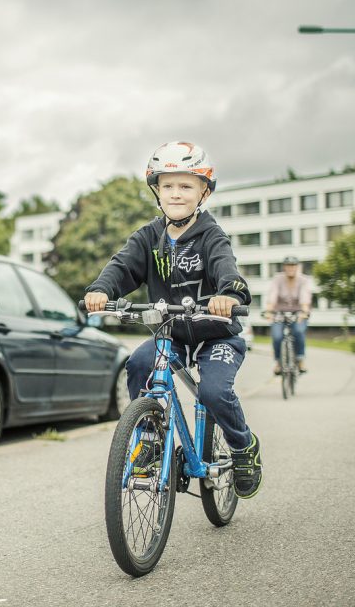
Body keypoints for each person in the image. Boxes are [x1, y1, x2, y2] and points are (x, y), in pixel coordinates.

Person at [83, 141, 262, 499]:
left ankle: (243, 446)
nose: (176, 194)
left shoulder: (211, 236)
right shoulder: (149, 237)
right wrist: (102, 289)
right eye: (168, 185)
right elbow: (122, 266)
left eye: (186, 186)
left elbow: (227, 269)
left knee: (213, 391)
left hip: (217, 335)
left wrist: (229, 294)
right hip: (172, 333)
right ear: (157, 191)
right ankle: (148, 440)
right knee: (139, 363)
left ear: (204, 192)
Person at [266, 256, 313, 375]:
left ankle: (300, 359)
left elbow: (305, 299)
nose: (291, 268)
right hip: (279, 313)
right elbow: (272, 296)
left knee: (298, 331)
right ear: (284, 267)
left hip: (298, 313)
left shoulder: (304, 280)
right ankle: (278, 362)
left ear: (297, 267)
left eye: (293, 265)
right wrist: (269, 311)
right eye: (288, 265)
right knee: (277, 336)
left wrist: (304, 312)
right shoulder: (278, 279)